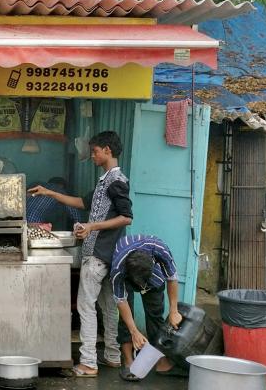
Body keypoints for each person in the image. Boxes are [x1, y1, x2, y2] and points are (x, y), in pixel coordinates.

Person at [28, 131, 133, 378]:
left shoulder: (117, 181)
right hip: (107, 255)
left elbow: (126, 217)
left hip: (98, 253)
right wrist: (49, 192)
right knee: (108, 307)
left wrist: (91, 227)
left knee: (86, 307)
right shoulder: (105, 180)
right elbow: (81, 203)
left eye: (95, 151)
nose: (93, 155)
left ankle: (88, 362)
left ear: (107, 150)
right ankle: (112, 355)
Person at [110, 234, 183, 381]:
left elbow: (172, 277)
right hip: (128, 278)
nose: (142, 288)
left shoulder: (159, 249)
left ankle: (160, 362)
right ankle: (129, 361)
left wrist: (174, 310)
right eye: (140, 285)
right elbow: (120, 300)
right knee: (125, 320)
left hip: (153, 277)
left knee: (155, 316)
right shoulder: (118, 270)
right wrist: (134, 331)